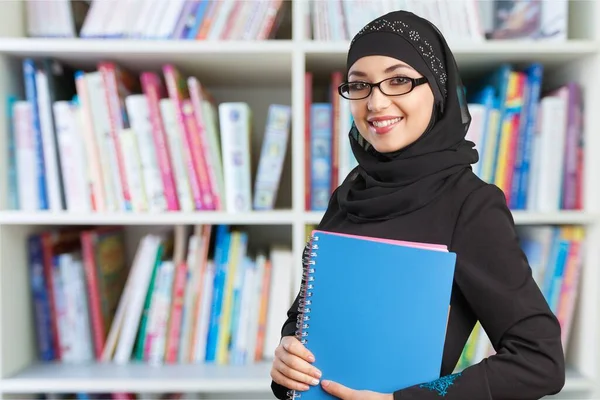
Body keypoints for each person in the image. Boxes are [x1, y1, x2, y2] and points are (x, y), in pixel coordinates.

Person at [270, 9, 565, 400]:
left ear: (438, 89)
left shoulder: (471, 204)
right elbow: (309, 317)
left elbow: (540, 361)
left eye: (398, 81)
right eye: (359, 85)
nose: (375, 102)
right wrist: (287, 356)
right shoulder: (352, 191)